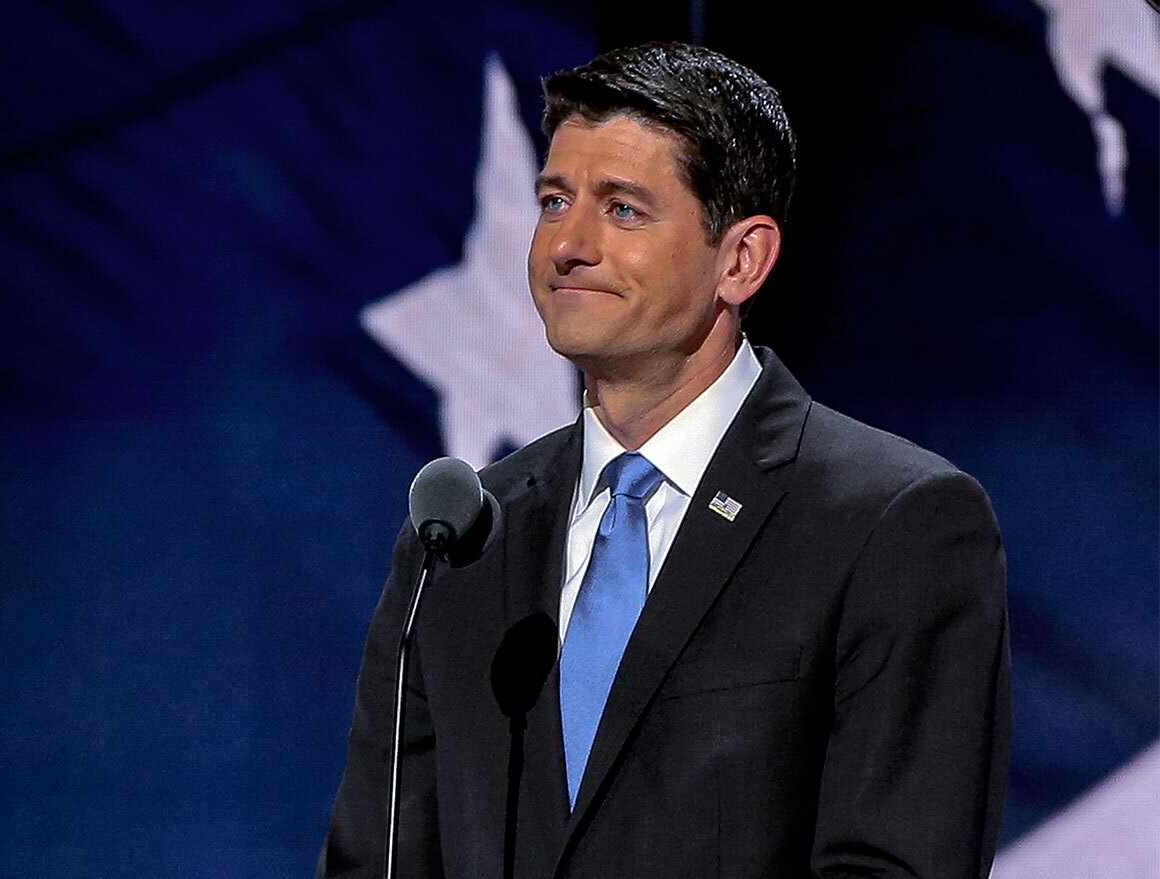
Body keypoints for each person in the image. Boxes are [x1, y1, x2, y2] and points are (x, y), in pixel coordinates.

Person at [320, 42, 1011, 878]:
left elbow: (896, 865)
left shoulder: (892, 523)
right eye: (553, 200)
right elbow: (376, 860)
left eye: (621, 209)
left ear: (741, 259)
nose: (566, 245)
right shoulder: (463, 540)